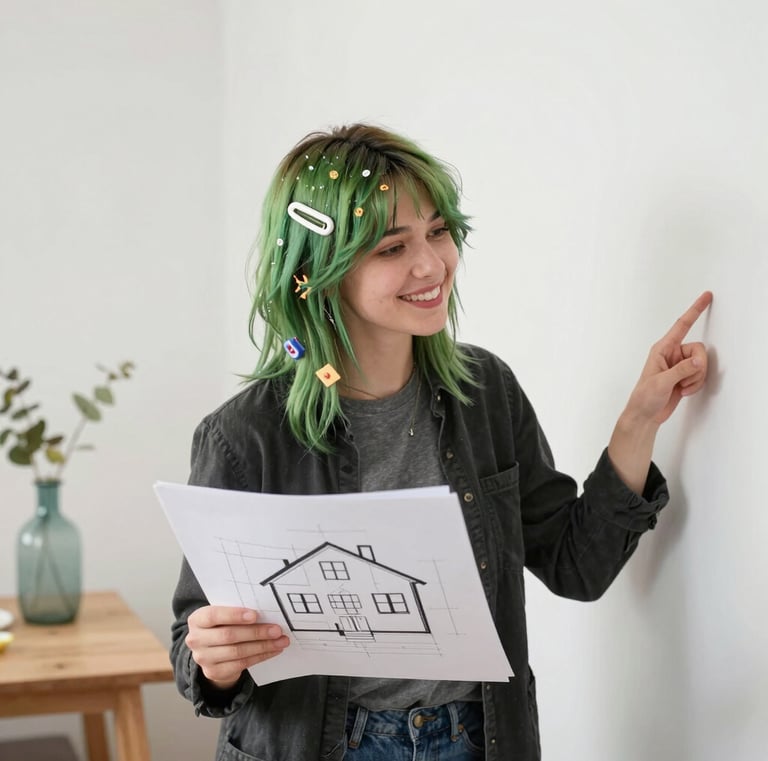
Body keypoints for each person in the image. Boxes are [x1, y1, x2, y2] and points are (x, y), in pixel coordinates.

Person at [170, 123, 712, 761]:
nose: (431, 264)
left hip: (477, 739)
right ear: (317, 272)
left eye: (438, 232)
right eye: (392, 247)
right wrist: (217, 658)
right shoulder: (245, 436)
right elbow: (192, 648)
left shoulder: (485, 393)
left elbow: (576, 565)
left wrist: (638, 422)